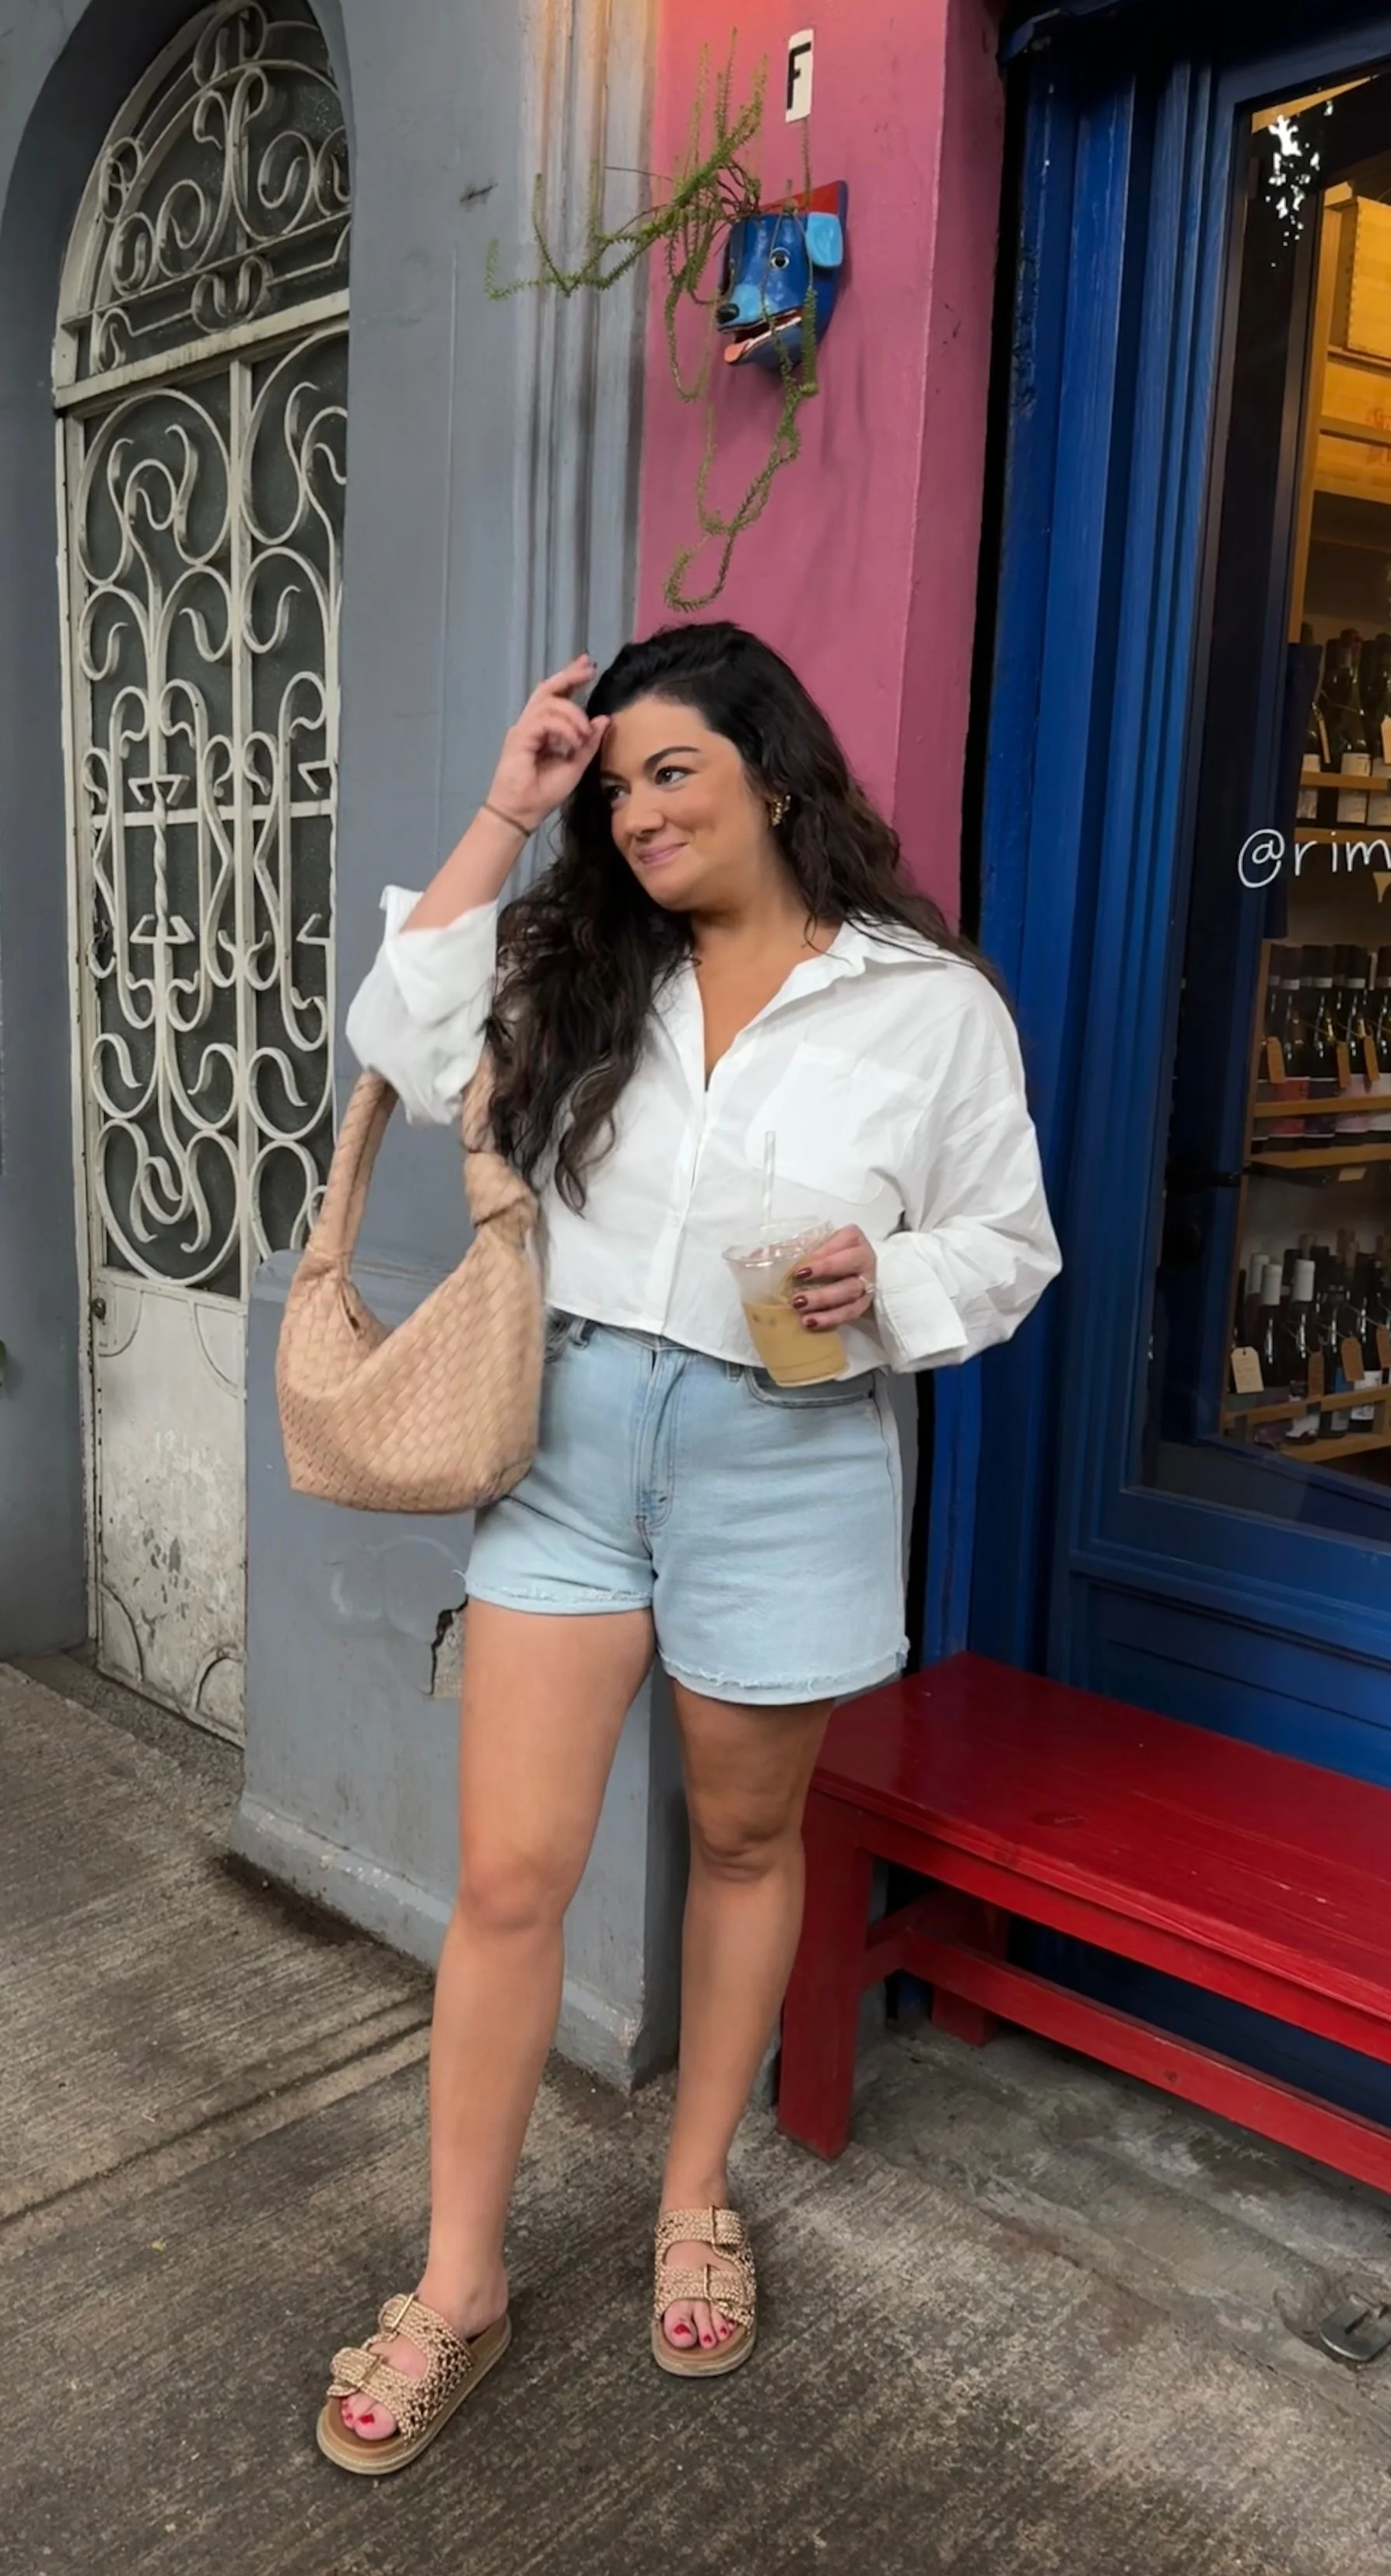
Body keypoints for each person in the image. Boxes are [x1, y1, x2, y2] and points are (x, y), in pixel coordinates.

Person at [315, 622, 1060, 2476]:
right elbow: (399, 1023)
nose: (636, 811)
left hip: (787, 1446)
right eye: (617, 776)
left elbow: (1007, 1242)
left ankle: (689, 2193)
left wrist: (882, 1280)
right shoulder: (583, 962)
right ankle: (456, 2282)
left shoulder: (925, 1004)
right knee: (508, 1877)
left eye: (671, 772)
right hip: (566, 1437)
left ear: (777, 775)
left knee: (739, 1840)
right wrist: (515, 803)